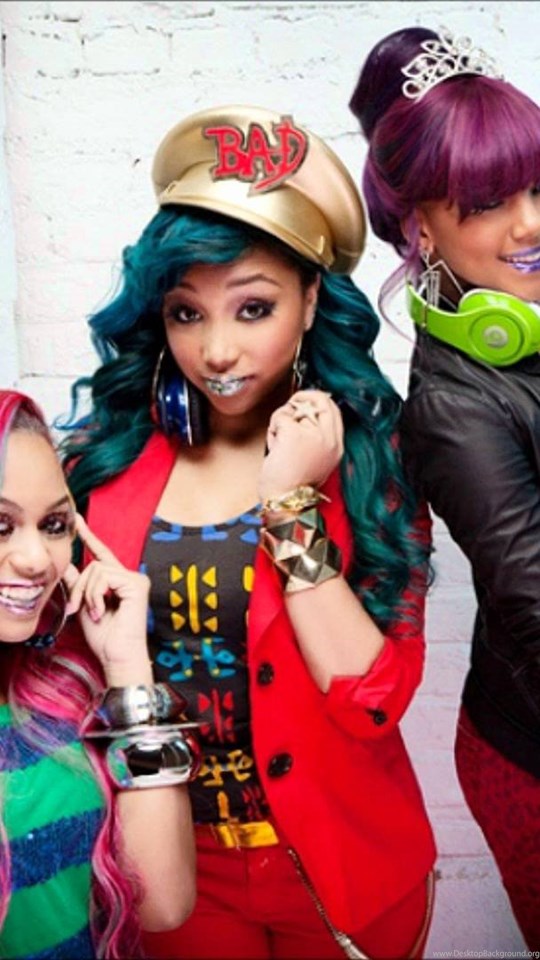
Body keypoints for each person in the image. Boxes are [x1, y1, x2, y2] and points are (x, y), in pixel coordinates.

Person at [60, 104, 436, 960]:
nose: (217, 351)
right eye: (187, 313)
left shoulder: (368, 462)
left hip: (340, 866)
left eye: (253, 308)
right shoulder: (101, 470)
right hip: (174, 869)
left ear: (310, 301)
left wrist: (289, 501)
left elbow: (371, 698)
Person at [349, 26, 540, 950]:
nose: (530, 224)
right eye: (489, 202)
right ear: (422, 228)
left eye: (538, 188)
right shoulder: (452, 409)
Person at [0, 389, 196, 959]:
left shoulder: (62, 688)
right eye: (1, 525)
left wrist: (128, 665)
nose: (37, 559)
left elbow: (164, 903)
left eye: (53, 524)